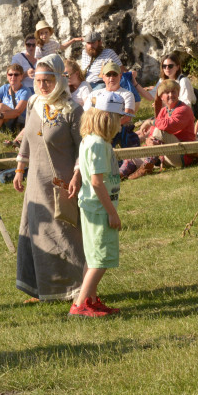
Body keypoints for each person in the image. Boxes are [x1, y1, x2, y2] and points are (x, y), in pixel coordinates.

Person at [13, 55, 87, 301]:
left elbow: (83, 147)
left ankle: (74, 288)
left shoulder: (73, 109)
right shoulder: (34, 103)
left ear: (59, 79)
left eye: (48, 81)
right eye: (39, 80)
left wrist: (77, 174)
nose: (43, 86)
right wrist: (19, 169)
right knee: (38, 232)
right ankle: (40, 288)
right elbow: (27, 139)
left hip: (62, 183)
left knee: (63, 234)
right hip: (36, 182)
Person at [71, 90, 127, 318]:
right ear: (107, 118)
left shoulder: (93, 141)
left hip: (93, 206)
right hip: (98, 208)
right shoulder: (97, 145)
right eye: (119, 118)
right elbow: (96, 182)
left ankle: (90, 300)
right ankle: (80, 305)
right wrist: (112, 213)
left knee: (93, 257)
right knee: (101, 259)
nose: (121, 123)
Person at [124, 79, 197, 180]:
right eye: (167, 92)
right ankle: (120, 174)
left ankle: (147, 166)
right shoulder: (164, 110)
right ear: (161, 97)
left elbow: (169, 125)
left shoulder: (184, 109)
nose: (171, 95)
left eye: (173, 91)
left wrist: (150, 122)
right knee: (132, 155)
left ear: (178, 93)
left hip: (182, 156)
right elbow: (153, 131)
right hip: (165, 156)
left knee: (160, 130)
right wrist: (149, 140)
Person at [88, 61, 136, 126]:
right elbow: (87, 115)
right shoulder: (94, 94)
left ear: (120, 76)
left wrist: (108, 127)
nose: (112, 77)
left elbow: (127, 117)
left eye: (115, 74)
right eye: (108, 75)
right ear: (103, 77)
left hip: (118, 130)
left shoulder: (128, 95)